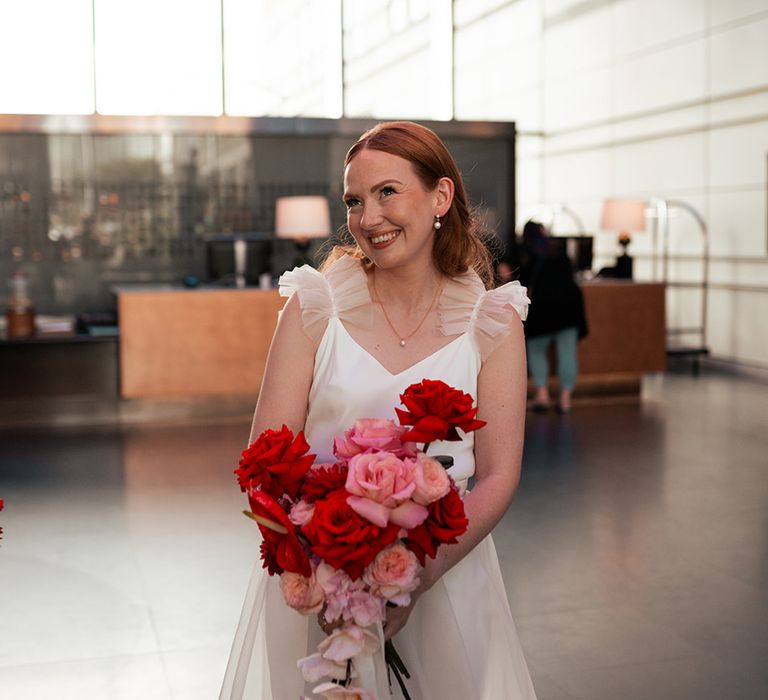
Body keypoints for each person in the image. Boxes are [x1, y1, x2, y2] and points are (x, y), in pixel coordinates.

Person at [220, 121, 537, 699]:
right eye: (354, 201)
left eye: (387, 192)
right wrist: (319, 573)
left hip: (447, 579)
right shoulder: (314, 308)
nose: (369, 218)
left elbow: (497, 475)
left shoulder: (492, 323)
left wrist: (417, 579)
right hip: (319, 592)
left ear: (441, 197)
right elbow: (263, 462)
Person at [518, 220, 588, 414]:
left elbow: (522, 282)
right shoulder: (559, 251)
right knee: (567, 355)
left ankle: (542, 394)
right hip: (568, 310)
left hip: (542, 311)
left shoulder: (527, 254)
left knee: (536, 352)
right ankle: (565, 399)